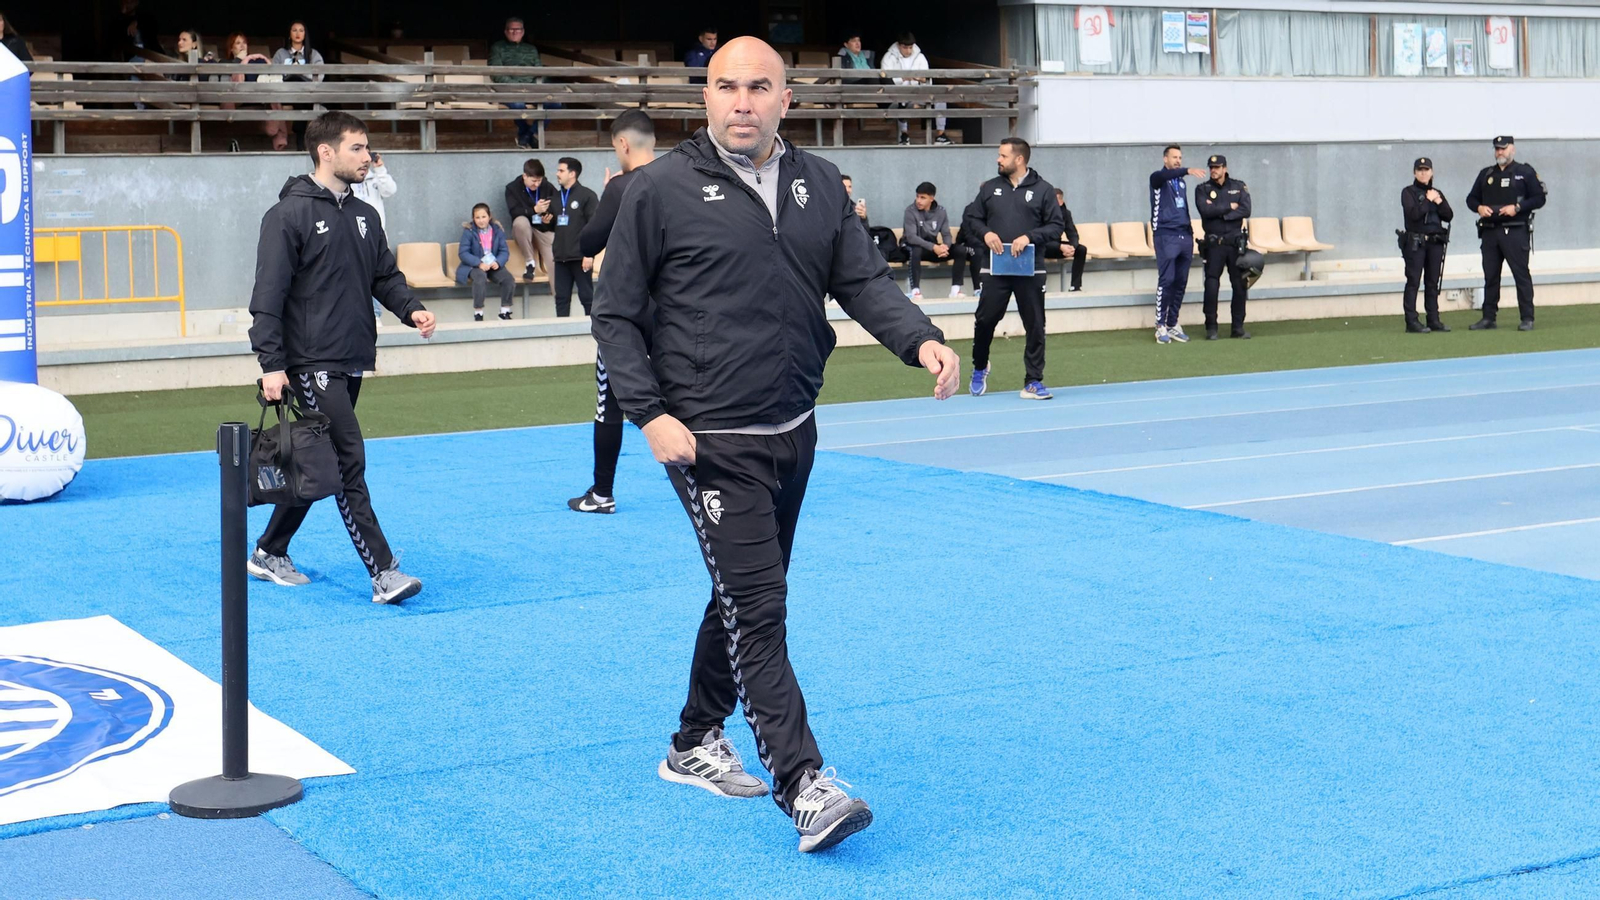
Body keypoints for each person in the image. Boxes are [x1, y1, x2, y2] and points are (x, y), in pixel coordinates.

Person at [592, 36, 959, 854]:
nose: (743, 102)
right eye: (727, 87)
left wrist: (920, 340)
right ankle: (804, 784)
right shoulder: (655, 191)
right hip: (708, 439)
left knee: (744, 589)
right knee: (760, 607)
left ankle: (693, 741)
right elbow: (613, 316)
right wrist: (649, 414)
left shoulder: (818, 183)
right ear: (706, 98)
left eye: (760, 87)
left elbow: (860, 281)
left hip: (794, 427)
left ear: (786, 97)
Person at [246, 111, 436, 604]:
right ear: (325, 152)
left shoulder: (366, 215)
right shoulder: (287, 215)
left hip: (352, 359)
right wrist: (271, 363)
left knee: (321, 461)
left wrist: (411, 309)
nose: (368, 158)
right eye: (357, 148)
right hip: (310, 364)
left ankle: (269, 550)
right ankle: (384, 573)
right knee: (349, 461)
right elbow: (268, 295)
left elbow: (384, 278)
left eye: (367, 149)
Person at [567, 110, 658, 515]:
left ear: (622, 144)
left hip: (623, 312)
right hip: (673, 310)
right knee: (692, 396)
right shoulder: (678, 178)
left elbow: (588, 241)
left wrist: (610, 198)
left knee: (610, 403)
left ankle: (602, 493)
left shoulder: (622, 185)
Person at [966, 137, 1063, 400]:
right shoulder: (989, 188)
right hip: (996, 268)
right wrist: (985, 234)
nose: (998, 159)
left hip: (1030, 270)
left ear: (1019, 159)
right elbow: (971, 218)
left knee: (1035, 325)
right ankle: (979, 366)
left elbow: (1056, 226)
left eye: (1003, 156)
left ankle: (1033, 381)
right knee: (985, 321)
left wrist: (1029, 237)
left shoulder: (1043, 190)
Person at [1465, 136, 1545, 331]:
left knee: (1521, 275)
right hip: (1490, 232)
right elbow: (1471, 198)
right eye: (1497, 149)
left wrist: (1518, 207)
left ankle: (1527, 317)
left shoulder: (1524, 172)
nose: (1500, 152)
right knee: (1490, 276)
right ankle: (1488, 317)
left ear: (1513, 149)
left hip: (1515, 230)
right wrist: (1479, 208)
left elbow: (1539, 198)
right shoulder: (1486, 174)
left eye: (1503, 148)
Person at [1150, 145, 1208, 344]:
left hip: (1184, 236)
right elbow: (1160, 177)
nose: (1178, 160)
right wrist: (1187, 171)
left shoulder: (1181, 183)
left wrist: (1191, 234)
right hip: (1165, 235)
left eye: (1180, 158)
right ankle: (1160, 325)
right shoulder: (1158, 179)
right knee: (1167, 280)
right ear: (1165, 159)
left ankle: (1173, 323)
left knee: (1180, 282)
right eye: (1174, 157)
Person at [1194, 154, 1253, 340]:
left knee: (1239, 285)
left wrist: (1220, 211)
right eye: (1211, 167)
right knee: (1212, 285)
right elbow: (1205, 210)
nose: (1214, 170)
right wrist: (1230, 207)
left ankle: (1238, 327)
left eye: (1217, 167)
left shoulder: (1238, 186)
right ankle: (1211, 327)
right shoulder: (1202, 189)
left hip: (1235, 245)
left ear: (1225, 168)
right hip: (1214, 244)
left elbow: (1246, 210)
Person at [1400, 157, 1454, 334]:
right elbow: (1414, 214)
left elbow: (1448, 215)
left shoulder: (1436, 193)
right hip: (1416, 243)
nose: (1423, 173)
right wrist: (1428, 201)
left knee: (1432, 282)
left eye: (1426, 170)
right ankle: (1412, 321)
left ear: (1432, 172)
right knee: (1413, 281)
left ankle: (1433, 319)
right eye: (1420, 170)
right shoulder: (1408, 192)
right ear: (1414, 172)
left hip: (1435, 243)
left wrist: (1438, 201)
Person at [901, 182, 972, 299]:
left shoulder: (941, 211)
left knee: (960, 250)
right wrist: (934, 247)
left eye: (923, 197)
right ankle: (915, 291)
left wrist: (945, 247)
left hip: (931, 247)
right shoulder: (910, 211)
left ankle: (955, 289)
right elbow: (911, 237)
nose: (918, 200)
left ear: (931, 198)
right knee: (916, 250)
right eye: (917, 196)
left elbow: (946, 234)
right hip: (910, 246)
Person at [223, 32, 291, 151]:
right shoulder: (225, 62)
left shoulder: (254, 60)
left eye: (244, 43)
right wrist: (239, 60)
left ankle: (267, 102)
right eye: (238, 43)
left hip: (259, 92)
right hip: (238, 96)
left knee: (272, 93)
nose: (242, 46)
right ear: (231, 48)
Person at [351, 149, 397, 319]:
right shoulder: (350, 179)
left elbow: (390, 190)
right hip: (354, 234)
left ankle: (376, 315)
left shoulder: (375, 178)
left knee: (376, 274)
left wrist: (380, 168)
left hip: (376, 235)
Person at [550, 157, 598, 317]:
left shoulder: (587, 195)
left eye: (561, 170)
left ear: (572, 174)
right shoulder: (555, 198)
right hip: (561, 257)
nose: (557, 174)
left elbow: (593, 226)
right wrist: (540, 217)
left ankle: (594, 332)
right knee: (561, 298)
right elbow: (550, 226)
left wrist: (589, 254)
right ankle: (560, 335)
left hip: (580, 256)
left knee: (587, 297)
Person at [882, 33, 948, 145]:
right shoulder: (888, 58)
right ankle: (904, 135)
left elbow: (928, 81)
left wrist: (922, 79)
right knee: (901, 102)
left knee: (940, 98)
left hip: (918, 93)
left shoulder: (920, 57)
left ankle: (940, 135)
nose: (908, 51)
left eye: (910, 47)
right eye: (905, 47)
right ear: (898, 45)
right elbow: (885, 80)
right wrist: (903, 78)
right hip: (898, 94)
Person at [457, 203, 516, 322]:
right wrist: (478, 263)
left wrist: (498, 262)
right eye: (477, 217)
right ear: (473, 218)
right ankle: (478, 312)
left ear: (489, 216)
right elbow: (463, 253)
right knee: (480, 278)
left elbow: (504, 251)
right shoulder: (469, 231)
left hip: (492, 264)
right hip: (474, 266)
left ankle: (504, 311)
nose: (481, 220)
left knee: (508, 279)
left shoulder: (497, 230)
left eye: (483, 217)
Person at [489, 17, 542, 149]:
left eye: (517, 29)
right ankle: (527, 136)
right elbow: (496, 73)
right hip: (508, 89)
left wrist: (534, 86)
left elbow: (539, 71)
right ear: (506, 31)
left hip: (531, 89)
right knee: (518, 104)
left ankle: (527, 135)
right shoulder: (497, 47)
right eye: (511, 29)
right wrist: (515, 87)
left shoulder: (531, 49)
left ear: (523, 31)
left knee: (554, 104)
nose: (514, 32)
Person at [504, 158, 556, 282]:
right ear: (524, 176)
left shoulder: (547, 186)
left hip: (542, 227)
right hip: (523, 229)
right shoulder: (512, 188)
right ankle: (530, 262)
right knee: (520, 222)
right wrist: (534, 209)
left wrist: (549, 218)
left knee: (555, 263)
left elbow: (558, 206)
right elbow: (514, 212)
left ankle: (560, 300)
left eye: (539, 180)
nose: (536, 184)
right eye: (533, 181)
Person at [1042, 188, 1086, 293]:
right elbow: (1040, 237)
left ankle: (1075, 286)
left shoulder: (1066, 214)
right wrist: (1059, 247)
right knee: (1038, 248)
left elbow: (1072, 233)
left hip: (1058, 246)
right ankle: (1041, 286)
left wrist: (1073, 247)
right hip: (1043, 246)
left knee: (1081, 250)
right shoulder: (1041, 213)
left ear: (1061, 202)